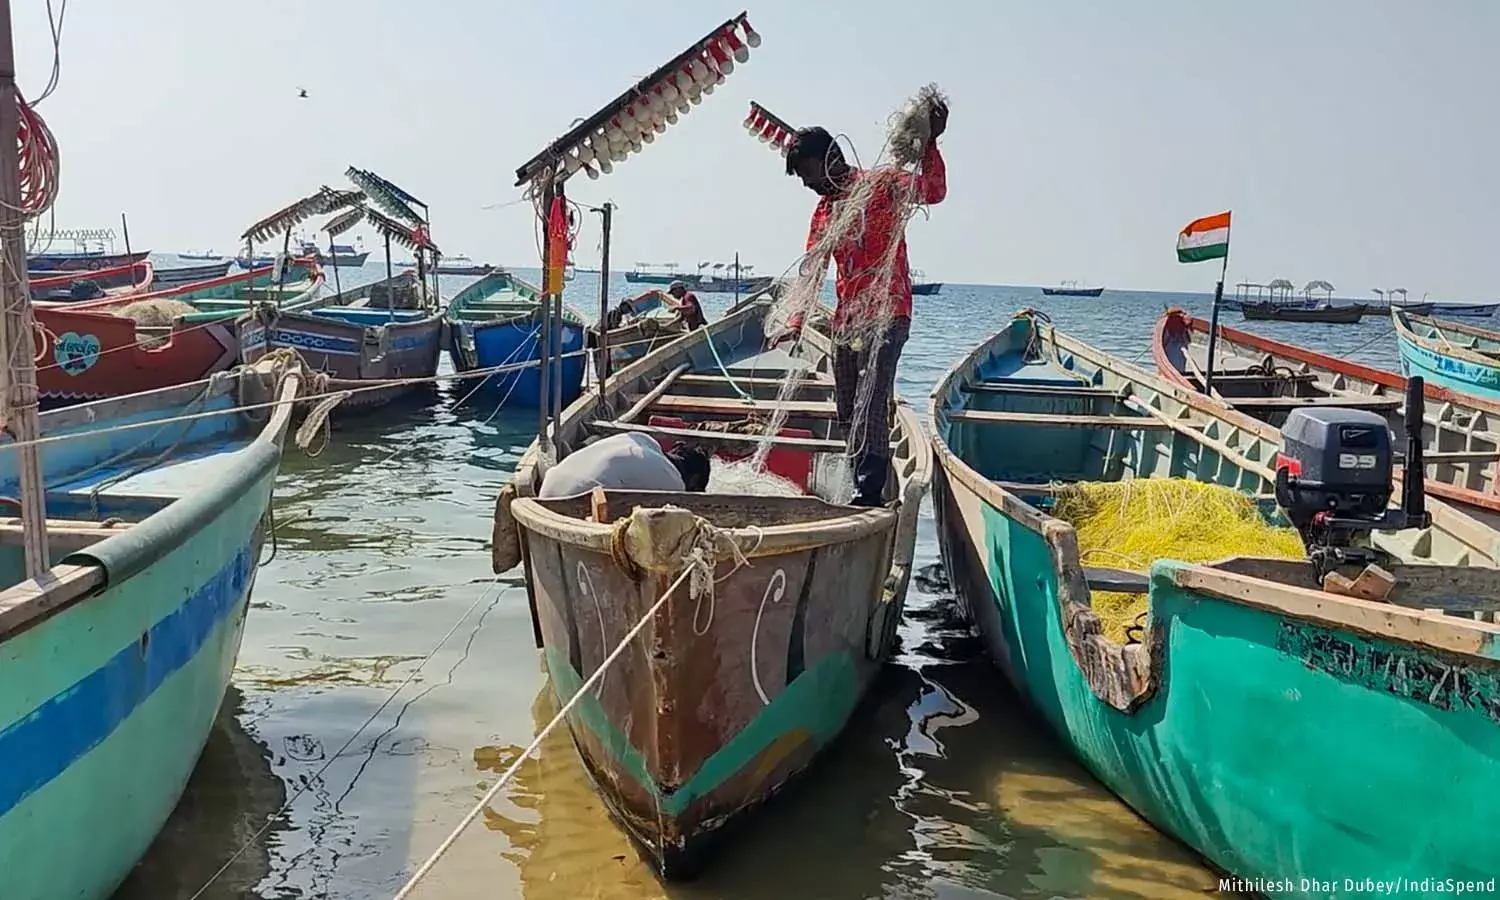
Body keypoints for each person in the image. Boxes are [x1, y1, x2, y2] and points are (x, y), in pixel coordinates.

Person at [777, 101, 948, 507]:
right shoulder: (824, 212)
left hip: (889, 313)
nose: (806, 184)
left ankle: (869, 493)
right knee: (847, 407)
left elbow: (934, 191)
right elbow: (813, 269)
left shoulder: (883, 184)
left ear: (829, 158)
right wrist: (797, 318)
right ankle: (864, 480)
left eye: (807, 173)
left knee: (872, 400)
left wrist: (931, 143)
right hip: (847, 320)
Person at [538, 432, 710, 498]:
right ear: (693, 480)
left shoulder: (643, 440)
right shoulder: (674, 483)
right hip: (575, 500)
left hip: (548, 486)